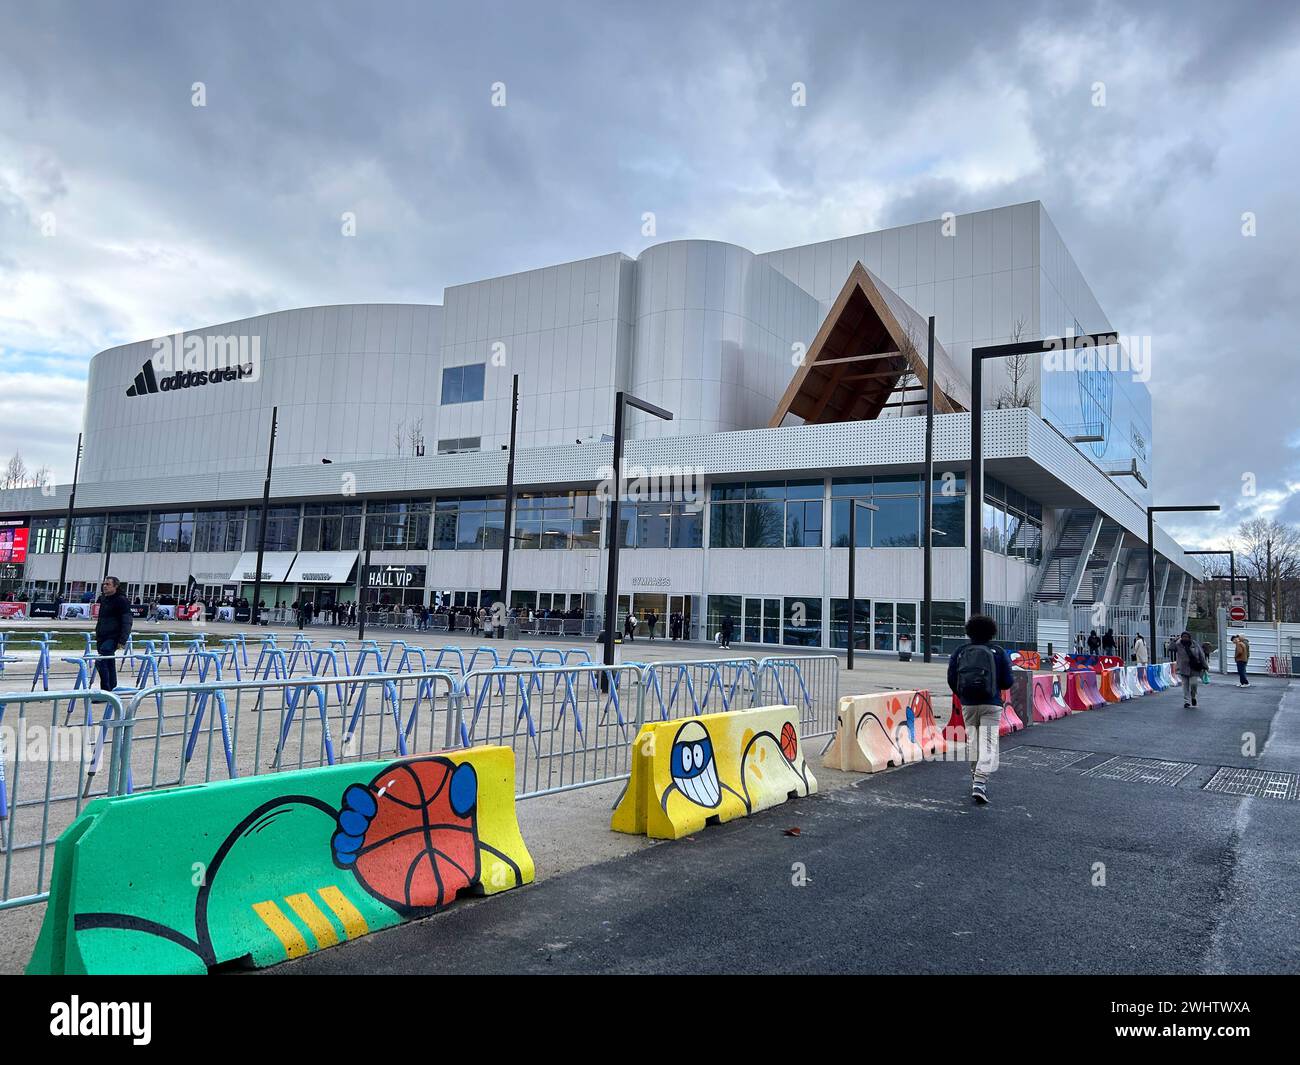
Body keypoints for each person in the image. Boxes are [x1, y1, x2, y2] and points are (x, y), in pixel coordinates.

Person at [947, 614, 1014, 806]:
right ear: (991, 632)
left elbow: (952, 679)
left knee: (974, 742)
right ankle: (980, 782)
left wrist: (963, 695)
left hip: (968, 703)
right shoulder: (998, 652)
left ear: (969, 631)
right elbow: (1007, 682)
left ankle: (975, 777)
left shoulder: (960, 651)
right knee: (988, 744)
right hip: (991, 703)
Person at [93, 576, 133, 692]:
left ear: (115, 586)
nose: (104, 586)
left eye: (108, 584)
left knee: (101, 661)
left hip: (113, 637)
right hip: (102, 636)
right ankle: (112, 688)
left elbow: (127, 621)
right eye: (104, 584)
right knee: (108, 662)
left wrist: (122, 640)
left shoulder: (121, 600)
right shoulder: (104, 599)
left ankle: (105, 691)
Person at [1174, 630, 1207, 708]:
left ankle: (1193, 696)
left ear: (1189, 638)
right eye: (1183, 637)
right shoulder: (1178, 645)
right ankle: (1186, 701)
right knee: (1185, 685)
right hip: (1183, 667)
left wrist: (1205, 665)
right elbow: (1170, 648)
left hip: (1194, 668)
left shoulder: (1194, 644)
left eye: (1186, 637)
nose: (1184, 638)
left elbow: (1201, 654)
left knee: (1193, 684)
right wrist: (1176, 640)